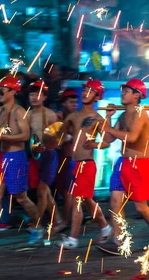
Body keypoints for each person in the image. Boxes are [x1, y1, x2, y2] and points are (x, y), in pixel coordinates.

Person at [99, 78, 149, 254]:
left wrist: (109, 128)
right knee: (115, 202)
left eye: (127, 91)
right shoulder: (122, 116)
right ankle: (118, 242)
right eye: (123, 91)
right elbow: (107, 139)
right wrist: (107, 118)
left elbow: (133, 137)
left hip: (139, 164)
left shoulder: (140, 112)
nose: (122, 94)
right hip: (123, 163)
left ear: (137, 95)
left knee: (140, 207)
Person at [0, 75, 41, 247]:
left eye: (2, 89)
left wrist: (4, 136)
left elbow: (25, 136)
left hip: (16, 157)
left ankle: (39, 226)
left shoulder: (19, 111)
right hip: (1, 157)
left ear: (12, 91)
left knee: (21, 198)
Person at [55, 79, 112, 249]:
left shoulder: (97, 118)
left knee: (77, 200)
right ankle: (105, 227)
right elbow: (59, 136)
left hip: (87, 164)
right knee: (86, 200)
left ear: (97, 96)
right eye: (85, 89)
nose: (86, 92)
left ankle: (73, 239)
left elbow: (108, 142)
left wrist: (95, 144)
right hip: (75, 164)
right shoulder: (72, 116)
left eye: (90, 90)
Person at [27, 80, 63, 243]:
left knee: (42, 191)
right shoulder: (27, 115)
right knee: (45, 192)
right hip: (35, 157)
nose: (35, 97)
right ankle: (57, 220)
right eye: (32, 94)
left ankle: (37, 226)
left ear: (45, 97)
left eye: (39, 94)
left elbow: (59, 139)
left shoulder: (50, 114)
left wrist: (46, 146)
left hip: (49, 155)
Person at [55, 88, 79, 229]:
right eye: (71, 102)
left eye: (75, 102)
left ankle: (65, 221)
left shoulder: (76, 118)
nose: (74, 104)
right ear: (64, 104)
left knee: (68, 192)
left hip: (72, 158)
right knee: (65, 191)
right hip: (63, 157)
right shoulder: (62, 118)